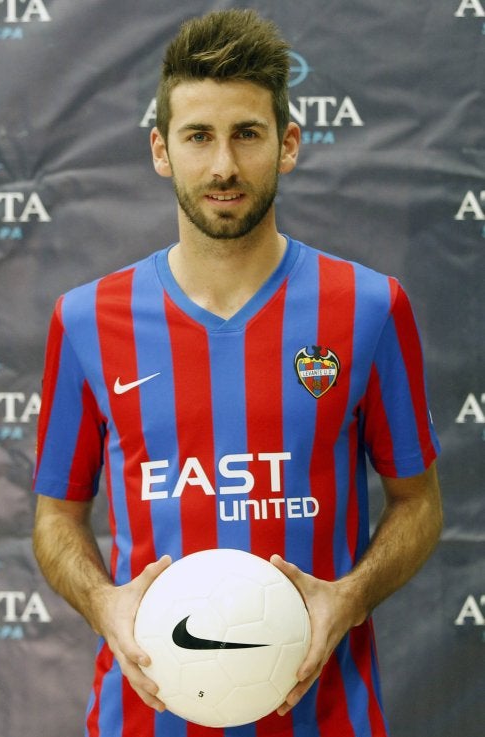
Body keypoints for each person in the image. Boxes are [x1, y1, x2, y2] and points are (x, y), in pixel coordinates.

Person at [32, 8, 443, 737]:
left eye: (246, 134)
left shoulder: (370, 308)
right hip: (143, 719)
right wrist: (105, 604)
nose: (222, 165)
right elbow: (55, 518)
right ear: (161, 149)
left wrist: (347, 596)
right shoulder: (89, 318)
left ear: (288, 143)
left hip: (328, 719)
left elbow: (420, 504)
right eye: (198, 136)